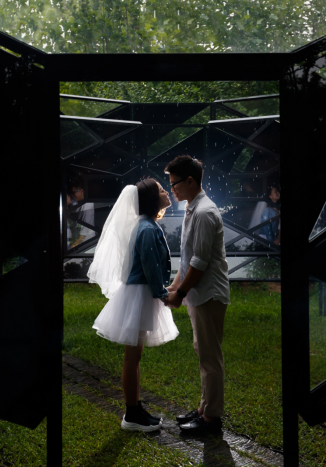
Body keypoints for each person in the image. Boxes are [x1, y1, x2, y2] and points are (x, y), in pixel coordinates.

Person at [87, 178, 179, 432]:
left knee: (135, 356)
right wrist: (163, 294)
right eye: (161, 190)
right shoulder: (147, 229)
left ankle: (136, 408)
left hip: (140, 294)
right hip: (139, 295)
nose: (166, 192)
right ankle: (131, 413)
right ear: (151, 199)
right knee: (132, 357)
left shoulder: (146, 225)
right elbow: (150, 266)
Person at [163, 155, 231, 435]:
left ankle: (211, 419)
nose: (172, 190)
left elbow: (200, 263)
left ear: (190, 181)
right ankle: (204, 408)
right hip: (198, 295)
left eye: (175, 183)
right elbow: (187, 261)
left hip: (208, 295)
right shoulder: (193, 208)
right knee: (202, 353)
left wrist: (179, 293)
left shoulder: (204, 212)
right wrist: (174, 288)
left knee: (210, 358)